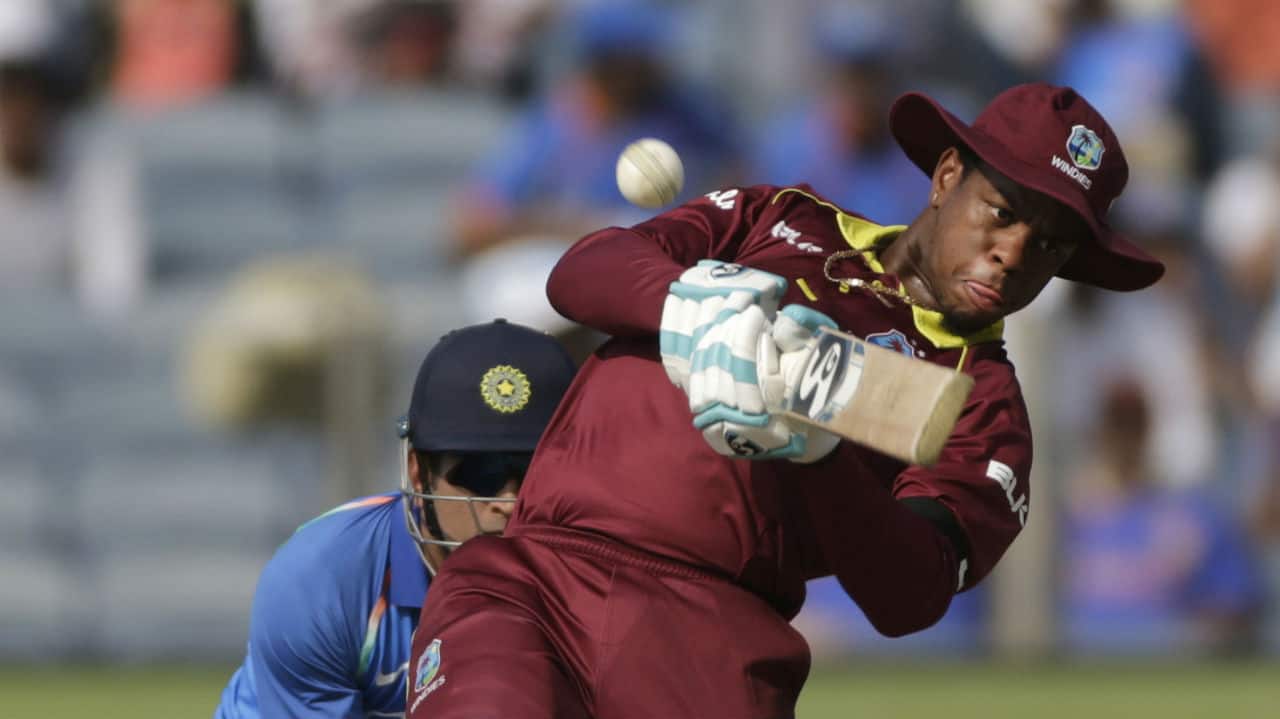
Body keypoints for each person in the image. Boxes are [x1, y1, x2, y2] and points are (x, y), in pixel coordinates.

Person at [406, 82, 1164, 718]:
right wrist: (690, 305)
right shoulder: (781, 219)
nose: (1015, 253)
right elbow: (581, 272)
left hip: (709, 648)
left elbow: (914, 593)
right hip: (537, 575)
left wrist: (818, 448)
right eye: (1003, 211)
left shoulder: (983, 407)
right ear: (945, 177)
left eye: (1052, 244)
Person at [214, 319, 577, 718]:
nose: (509, 501)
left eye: (536, 471)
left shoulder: (612, 573)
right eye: (481, 473)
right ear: (417, 470)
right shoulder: (324, 579)